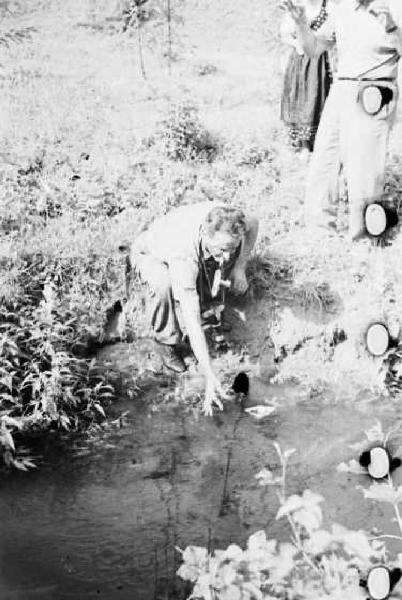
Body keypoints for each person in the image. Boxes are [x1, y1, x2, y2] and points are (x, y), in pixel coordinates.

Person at [281, 0, 402, 241]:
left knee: (364, 171)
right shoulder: (343, 7)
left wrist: (391, 26)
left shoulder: (395, 6)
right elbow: (313, 48)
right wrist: (301, 23)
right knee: (323, 160)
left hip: (374, 89)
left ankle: (364, 240)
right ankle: (318, 234)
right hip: (341, 88)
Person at [126, 202, 259, 416]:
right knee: (163, 285)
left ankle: (213, 321)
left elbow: (254, 223)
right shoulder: (184, 256)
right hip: (149, 252)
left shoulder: (239, 222)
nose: (227, 256)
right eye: (223, 249)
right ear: (206, 235)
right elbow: (191, 318)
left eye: (232, 248)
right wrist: (209, 374)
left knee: (213, 269)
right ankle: (166, 343)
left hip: (195, 248)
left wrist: (240, 265)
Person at [280, 0, 333, 159]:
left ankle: (317, 144)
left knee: (318, 97)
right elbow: (284, 34)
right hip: (300, 59)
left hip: (321, 60)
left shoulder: (329, 7)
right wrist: (297, 44)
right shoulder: (298, 7)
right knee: (299, 96)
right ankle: (301, 144)